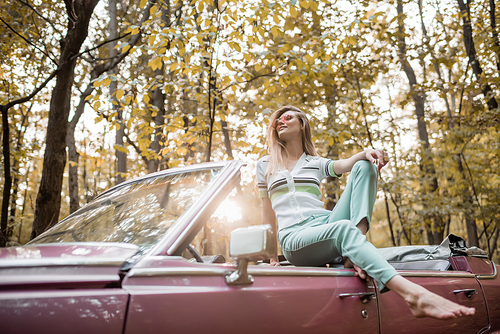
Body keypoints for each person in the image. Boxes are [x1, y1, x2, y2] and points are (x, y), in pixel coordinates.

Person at [256, 105, 475, 320]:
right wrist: (272, 257)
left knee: (365, 165)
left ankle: (354, 245)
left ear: (302, 124)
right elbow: (268, 214)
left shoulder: (314, 162)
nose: (280, 122)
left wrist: (368, 152)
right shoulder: (265, 165)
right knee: (342, 228)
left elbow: (347, 164)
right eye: (278, 121)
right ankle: (412, 294)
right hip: (295, 238)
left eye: (288, 118)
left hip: (325, 224)